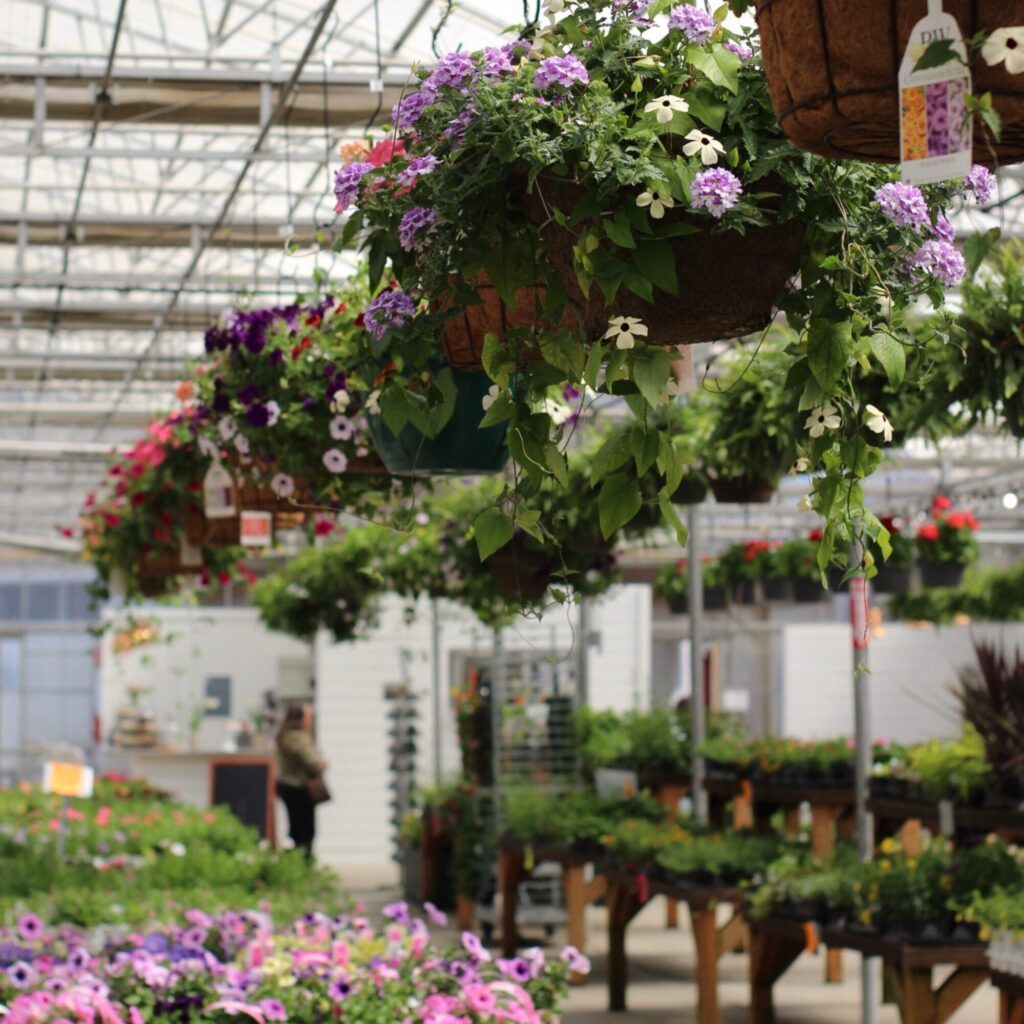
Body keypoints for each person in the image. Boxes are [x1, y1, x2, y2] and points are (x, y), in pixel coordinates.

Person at [275, 704, 327, 860]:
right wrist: (323, 762)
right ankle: (303, 862)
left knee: (296, 828)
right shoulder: (298, 737)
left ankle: (297, 861)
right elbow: (313, 762)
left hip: (288, 786)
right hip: (299, 787)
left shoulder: (285, 735)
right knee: (305, 830)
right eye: (309, 717)